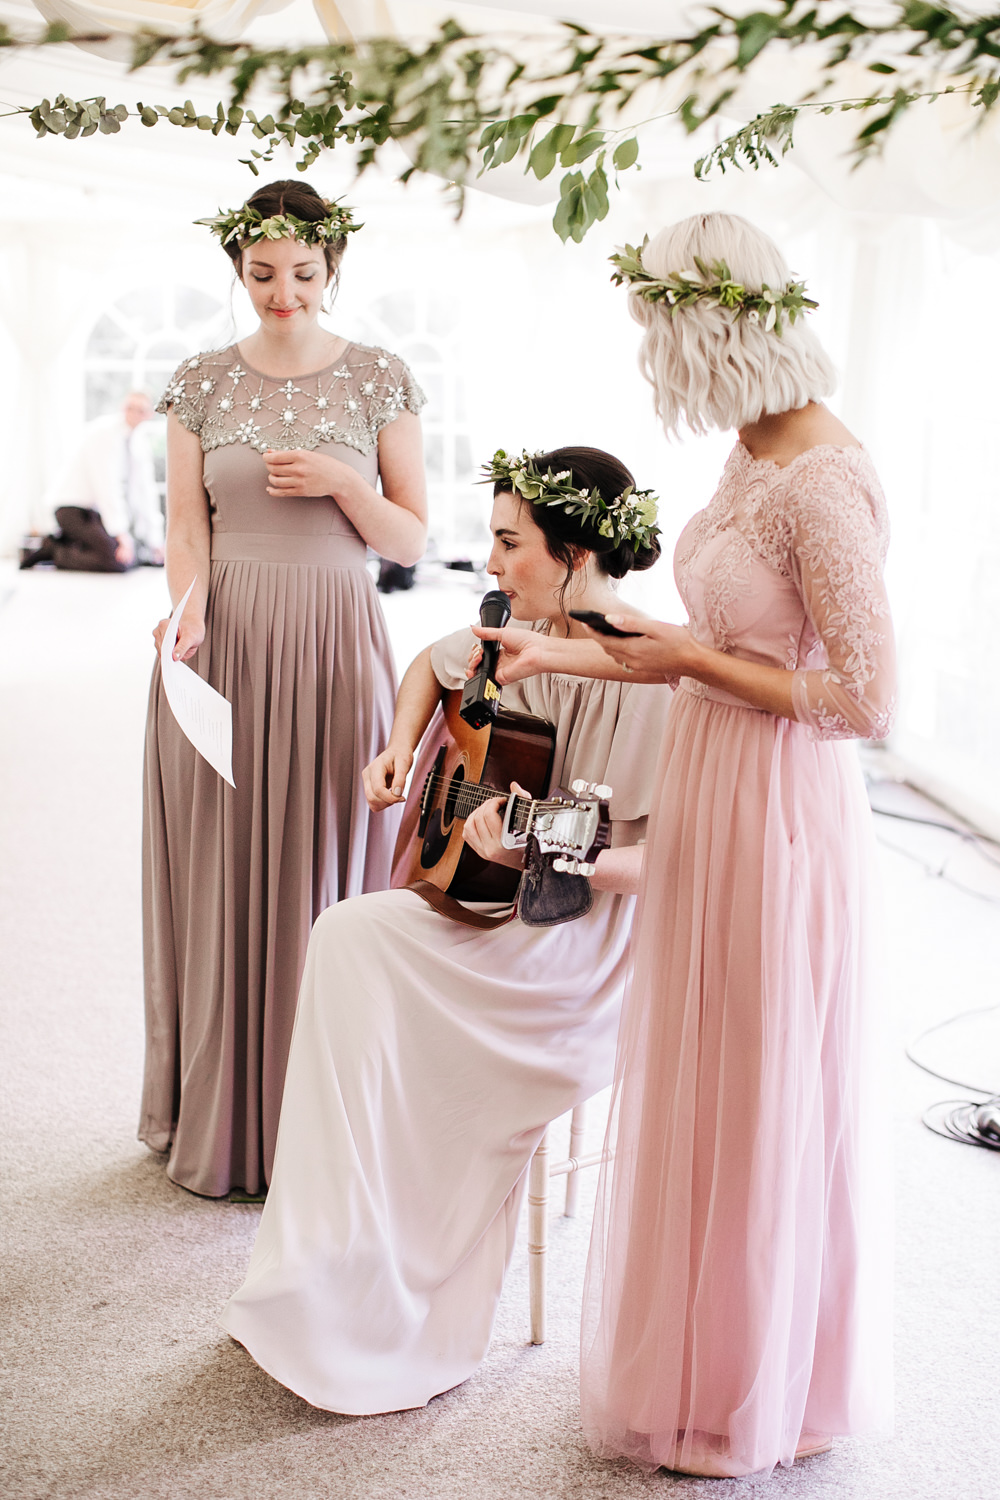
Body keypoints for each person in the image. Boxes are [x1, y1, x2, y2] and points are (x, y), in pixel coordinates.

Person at [476, 215, 896, 1478]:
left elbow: (863, 705)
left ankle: (765, 1386)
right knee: (705, 1076)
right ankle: (699, 1363)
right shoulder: (748, 452)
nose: (660, 370)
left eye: (663, 339)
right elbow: (714, 645)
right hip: (717, 776)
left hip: (779, 806)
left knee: (760, 1083)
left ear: (714, 329)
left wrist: (687, 658)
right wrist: (569, 645)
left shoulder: (824, 476)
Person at [220, 445, 672, 1413]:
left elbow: (670, 864)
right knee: (348, 937)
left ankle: (410, 1291)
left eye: (510, 543)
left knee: (385, 977)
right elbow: (432, 660)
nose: (493, 563)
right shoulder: (522, 633)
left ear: (575, 550)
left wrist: (543, 855)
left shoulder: (657, 672)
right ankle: (331, 1261)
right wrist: (395, 747)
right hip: (498, 906)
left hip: (576, 947)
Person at [140, 180, 428, 1199]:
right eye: (261, 274)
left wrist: (349, 488)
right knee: (221, 866)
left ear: (332, 269)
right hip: (224, 640)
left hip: (336, 638)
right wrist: (192, 608)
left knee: (327, 872)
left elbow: (410, 536)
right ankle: (219, 1114)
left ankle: (322, 1121)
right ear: (238, 272)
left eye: (302, 274)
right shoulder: (199, 381)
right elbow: (185, 522)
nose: (282, 292)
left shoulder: (381, 377)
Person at [22, 392, 164, 571]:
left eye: (140, 410)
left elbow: (145, 493)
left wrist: (156, 542)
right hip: (71, 509)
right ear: (123, 407)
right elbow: (106, 487)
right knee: (116, 562)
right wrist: (121, 536)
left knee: (132, 557)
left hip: (94, 513)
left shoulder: (138, 444)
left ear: (149, 414)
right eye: (130, 407)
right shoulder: (104, 433)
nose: (134, 413)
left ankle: (70, 542)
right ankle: (55, 550)